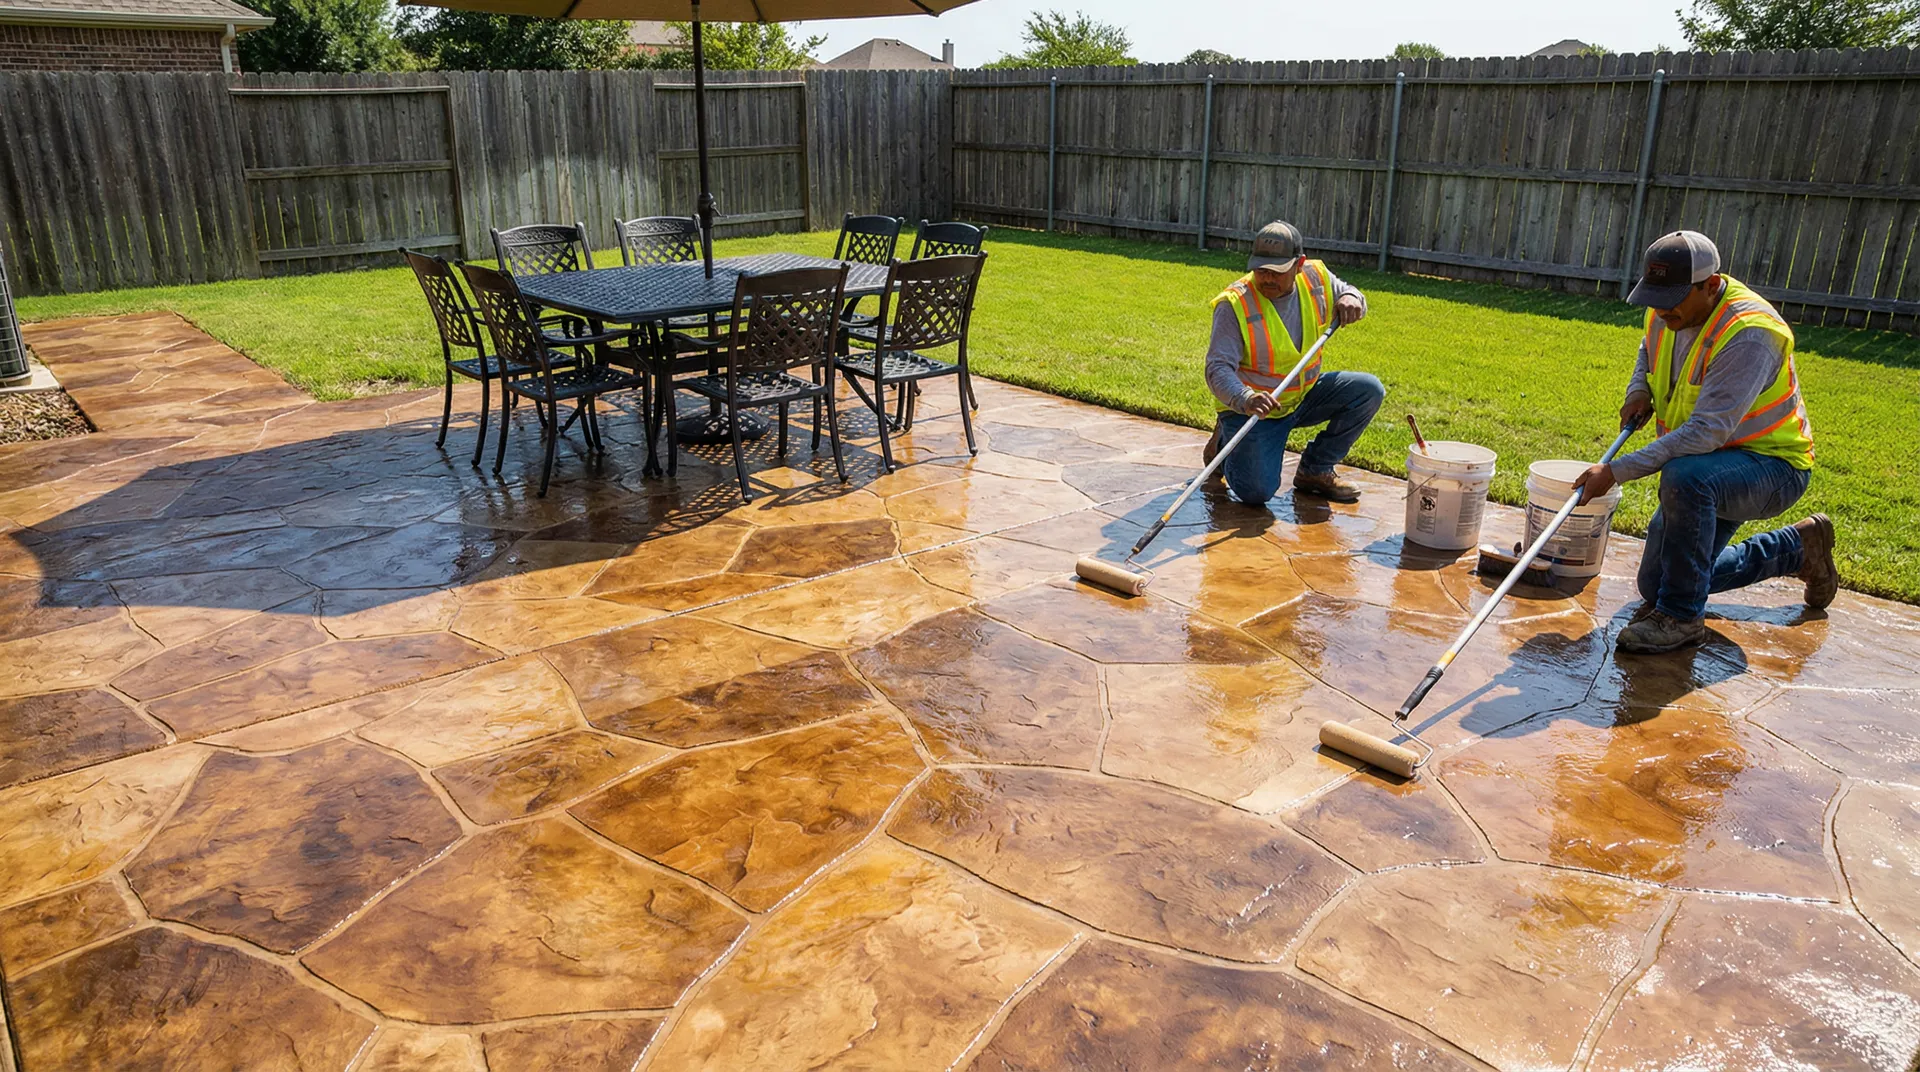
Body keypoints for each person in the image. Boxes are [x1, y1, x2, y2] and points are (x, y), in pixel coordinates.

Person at [1573, 230, 1837, 654]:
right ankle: (1796, 550)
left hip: (1771, 467)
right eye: (1656, 296)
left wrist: (1615, 472)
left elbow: (1705, 433)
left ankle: (1680, 618)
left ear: (1710, 285)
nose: (1661, 309)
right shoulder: (1669, 307)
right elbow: (1649, 348)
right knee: (1655, 584)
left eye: (1673, 297)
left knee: (1684, 479)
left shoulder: (1749, 333)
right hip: (1712, 460)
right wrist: (1637, 390)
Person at [1203, 220, 1380, 505]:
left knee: (1368, 390)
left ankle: (1315, 470)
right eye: (1260, 270)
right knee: (1256, 493)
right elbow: (1217, 369)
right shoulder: (1234, 305)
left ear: (1299, 264)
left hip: (1302, 397)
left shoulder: (1316, 277)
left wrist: (1352, 297)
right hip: (1253, 410)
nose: (1267, 278)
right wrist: (1244, 398)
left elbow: (1351, 291)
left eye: (1277, 271)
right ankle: (1225, 441)